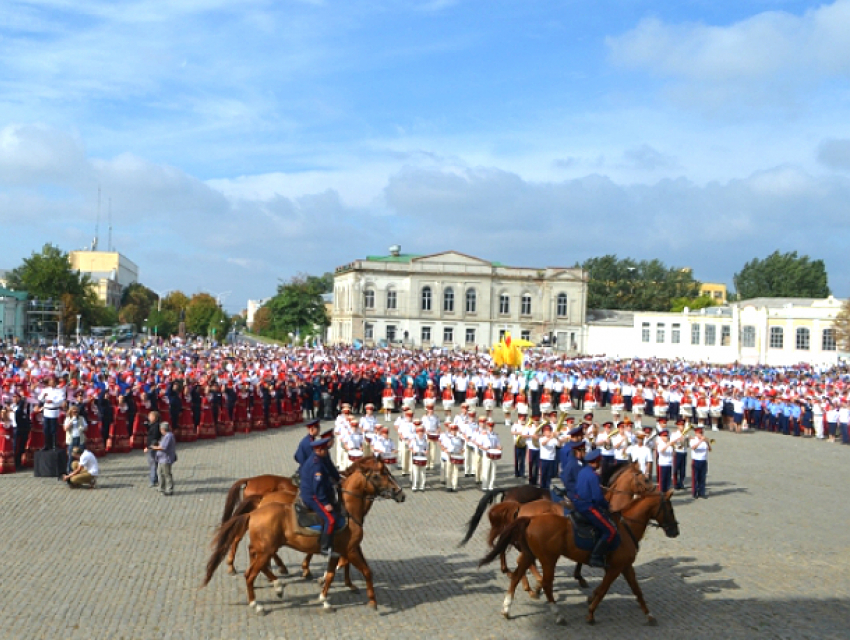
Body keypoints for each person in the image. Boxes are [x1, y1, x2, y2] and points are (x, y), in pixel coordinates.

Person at [571, 449, 618, 569]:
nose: (600, 464)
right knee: (610, 530)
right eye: (599, 461)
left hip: (577, 503)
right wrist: (607, 506)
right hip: (588, 507)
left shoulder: (583, 471)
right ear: (596, 462)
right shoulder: (593, 476)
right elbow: (597, 498)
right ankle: (596, 557)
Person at [299, 436, 341, 555]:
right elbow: (318, 488)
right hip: (312, 496)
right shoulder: (316, 465)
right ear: (319, 450)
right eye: (325, 450)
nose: (327, 452)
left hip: (316, 492)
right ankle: (325, 547)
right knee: (331, 519)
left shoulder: (318, 460)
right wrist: (325, 503)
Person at [39, 376, 65, 450]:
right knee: (46, 429)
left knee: (53, 429)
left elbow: (61, 399)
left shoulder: (59, 391)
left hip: (54, 410)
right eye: (50, 381)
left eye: (53, 381)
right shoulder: (45, 390)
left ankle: (54, 445)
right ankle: (46, 445)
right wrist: (43, 396)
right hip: (46, 410)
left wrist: (53, 401)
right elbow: (40, 398)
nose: (52, 383)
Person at [151, 422, 177, 496]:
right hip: (161, 458)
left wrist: (154, 447)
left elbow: (163, 447)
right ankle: (161, 487)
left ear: (163, 429)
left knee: (167, 474)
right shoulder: (166, 436)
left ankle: (169, 489)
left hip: (166, 459)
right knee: (160, 473)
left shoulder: (168, 436)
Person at [62, 405, 88, 474]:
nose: (75, 413)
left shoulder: (81, 418)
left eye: (76, 412)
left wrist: (82, 428)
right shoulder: (68, 419)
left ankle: (82, 470)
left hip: (80, 439)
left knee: (81, 456)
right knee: (71, 456)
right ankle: (69, 471)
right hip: (71, 439)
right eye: (74, 412)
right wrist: (71, 422)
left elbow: (86, 428)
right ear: (71, 412)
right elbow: (65, 429)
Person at [690, 425, 712, 499]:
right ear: (696, 433)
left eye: (701, 433)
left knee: (702, 477)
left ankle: (702, 492)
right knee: (695, 477)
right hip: (696, 460)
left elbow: (709, 449)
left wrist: (707, 442)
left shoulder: (705, 441)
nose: (700, 435)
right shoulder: (693, 440)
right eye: (699, 433)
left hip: (703, 460)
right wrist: (700, 441)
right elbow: (693, 447)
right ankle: (694, 492)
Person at [142, 410, 161, 487]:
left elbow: (154, 438)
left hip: (153, 447)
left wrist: (148, 447)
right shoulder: (153, 425)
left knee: (153, 464)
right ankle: (155, 478)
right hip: (152, 446)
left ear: (154, 417)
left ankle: (152, 480)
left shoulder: (156, 426)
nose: (149, 417)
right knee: (154, 464)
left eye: (150, 416)